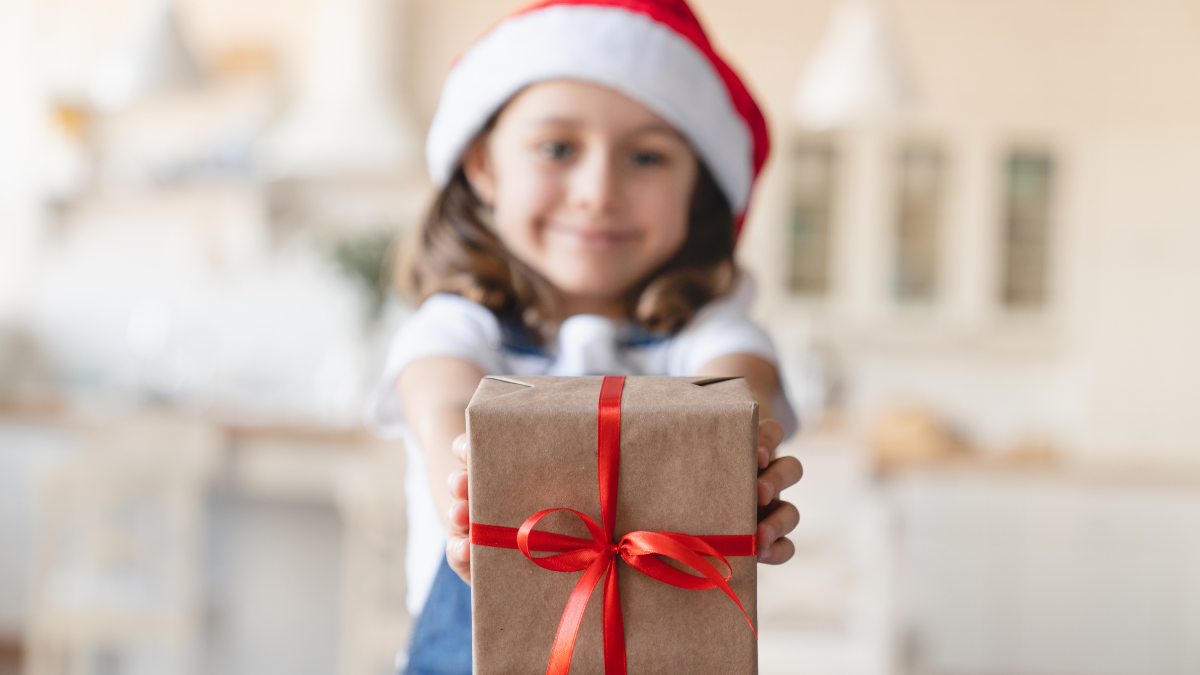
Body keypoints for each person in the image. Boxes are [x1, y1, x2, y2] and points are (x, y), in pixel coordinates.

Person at [365, 1, 804, 672]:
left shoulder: (702, 330)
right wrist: (473, 494)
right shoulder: (457, 325)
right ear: (484, 165)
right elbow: (441, 399)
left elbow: (744, 379)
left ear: (697, 187)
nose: (599, 192)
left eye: (647, 156)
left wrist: (748, 455)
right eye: (558, 148)